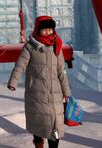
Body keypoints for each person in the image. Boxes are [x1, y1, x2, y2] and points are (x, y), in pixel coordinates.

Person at [7, 16, 71, 148]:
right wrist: (13, 81)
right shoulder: (30, 47)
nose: (48, 32)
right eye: (44, 30)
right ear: (38, 30)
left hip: (55, 94)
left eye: (50, 29)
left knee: (55, 126)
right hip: (36, 93)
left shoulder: (56, 46)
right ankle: (38, 144)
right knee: (38, 122)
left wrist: (66, 91)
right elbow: (20, 65)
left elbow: (61, 71)